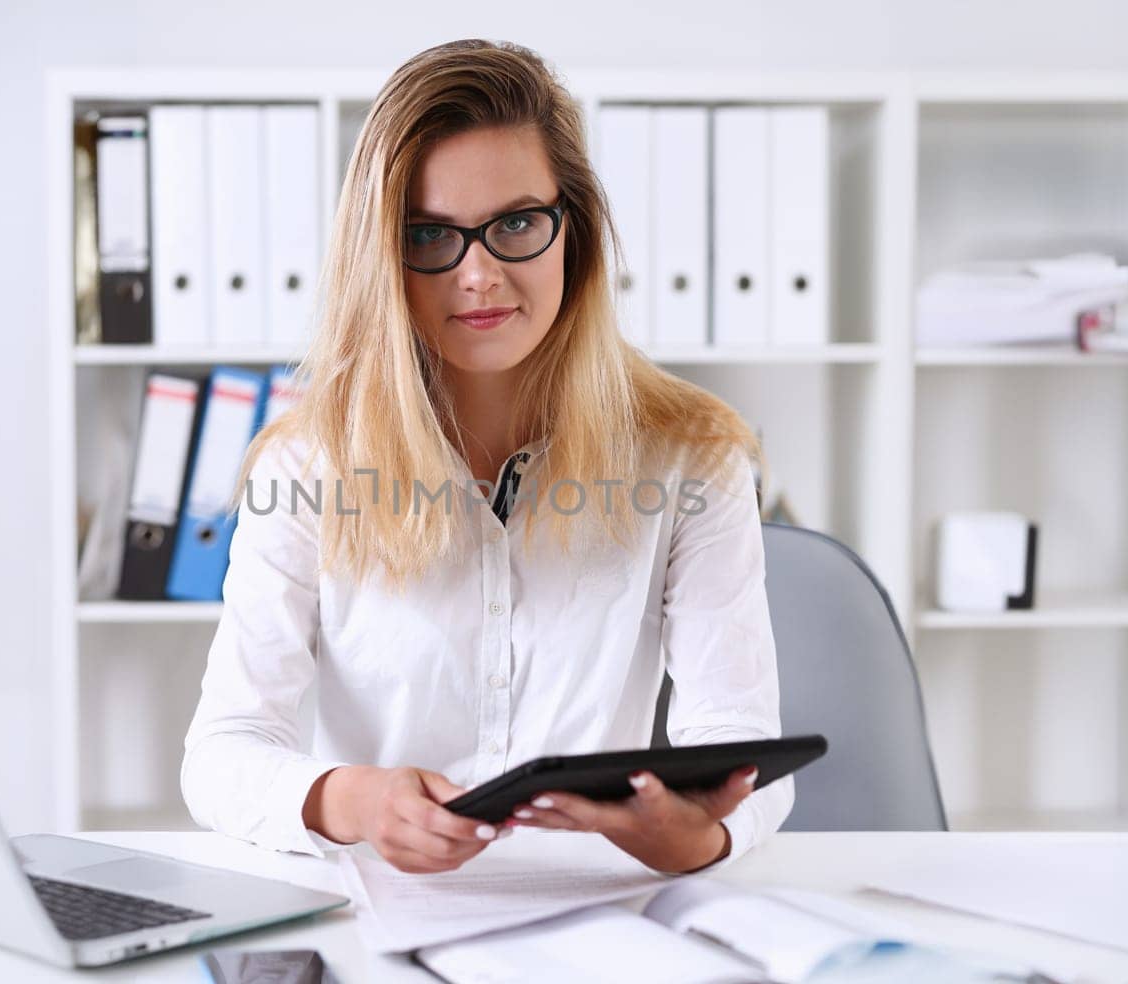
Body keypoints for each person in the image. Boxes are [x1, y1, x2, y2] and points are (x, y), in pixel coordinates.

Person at [181, 38, 792, 876]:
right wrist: (356, 801)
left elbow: (742, 741)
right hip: (379, 912)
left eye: (514, 225)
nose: (478, 274)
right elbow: (223, 753)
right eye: (430, 235)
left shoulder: (693, 457)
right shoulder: (305, 467)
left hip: (605, 913)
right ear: (381, 257)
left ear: (572, 231)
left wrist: (700, 832)